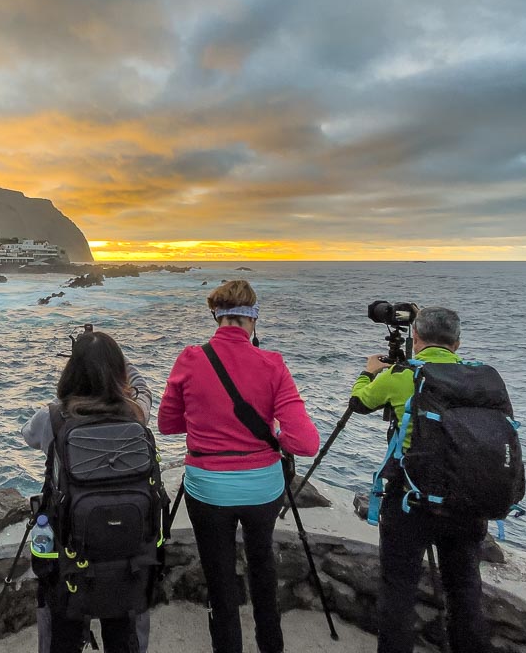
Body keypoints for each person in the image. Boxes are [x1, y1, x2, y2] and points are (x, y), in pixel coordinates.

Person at [157, 280, 320, 653]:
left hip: (208, 488)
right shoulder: (272, 363)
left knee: (221, 583)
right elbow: (306, 443)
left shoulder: (190, 359)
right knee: (263, 570)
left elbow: (168, 424)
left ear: (216, 317)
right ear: (253, 320)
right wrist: (274, 431)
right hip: (262, 489)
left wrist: (206, 421)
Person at [349, 306, 489, 653]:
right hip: (467, 501)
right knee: (466, 588)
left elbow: (359, 403)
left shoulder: (403, 375)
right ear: (457, 343)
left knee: (399, 588)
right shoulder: (480, 380)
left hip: (410, 501)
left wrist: (368, 372)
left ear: (416, 338)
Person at [22, 330, 153, 653]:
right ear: (119, 373)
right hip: (126, 551)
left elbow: (28, 435)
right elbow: (145, 390)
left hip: (69, 552)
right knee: (122, 634)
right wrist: (123, 365)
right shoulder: (137, 415)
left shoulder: (53, 419)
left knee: (63, 634)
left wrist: (64, 400)